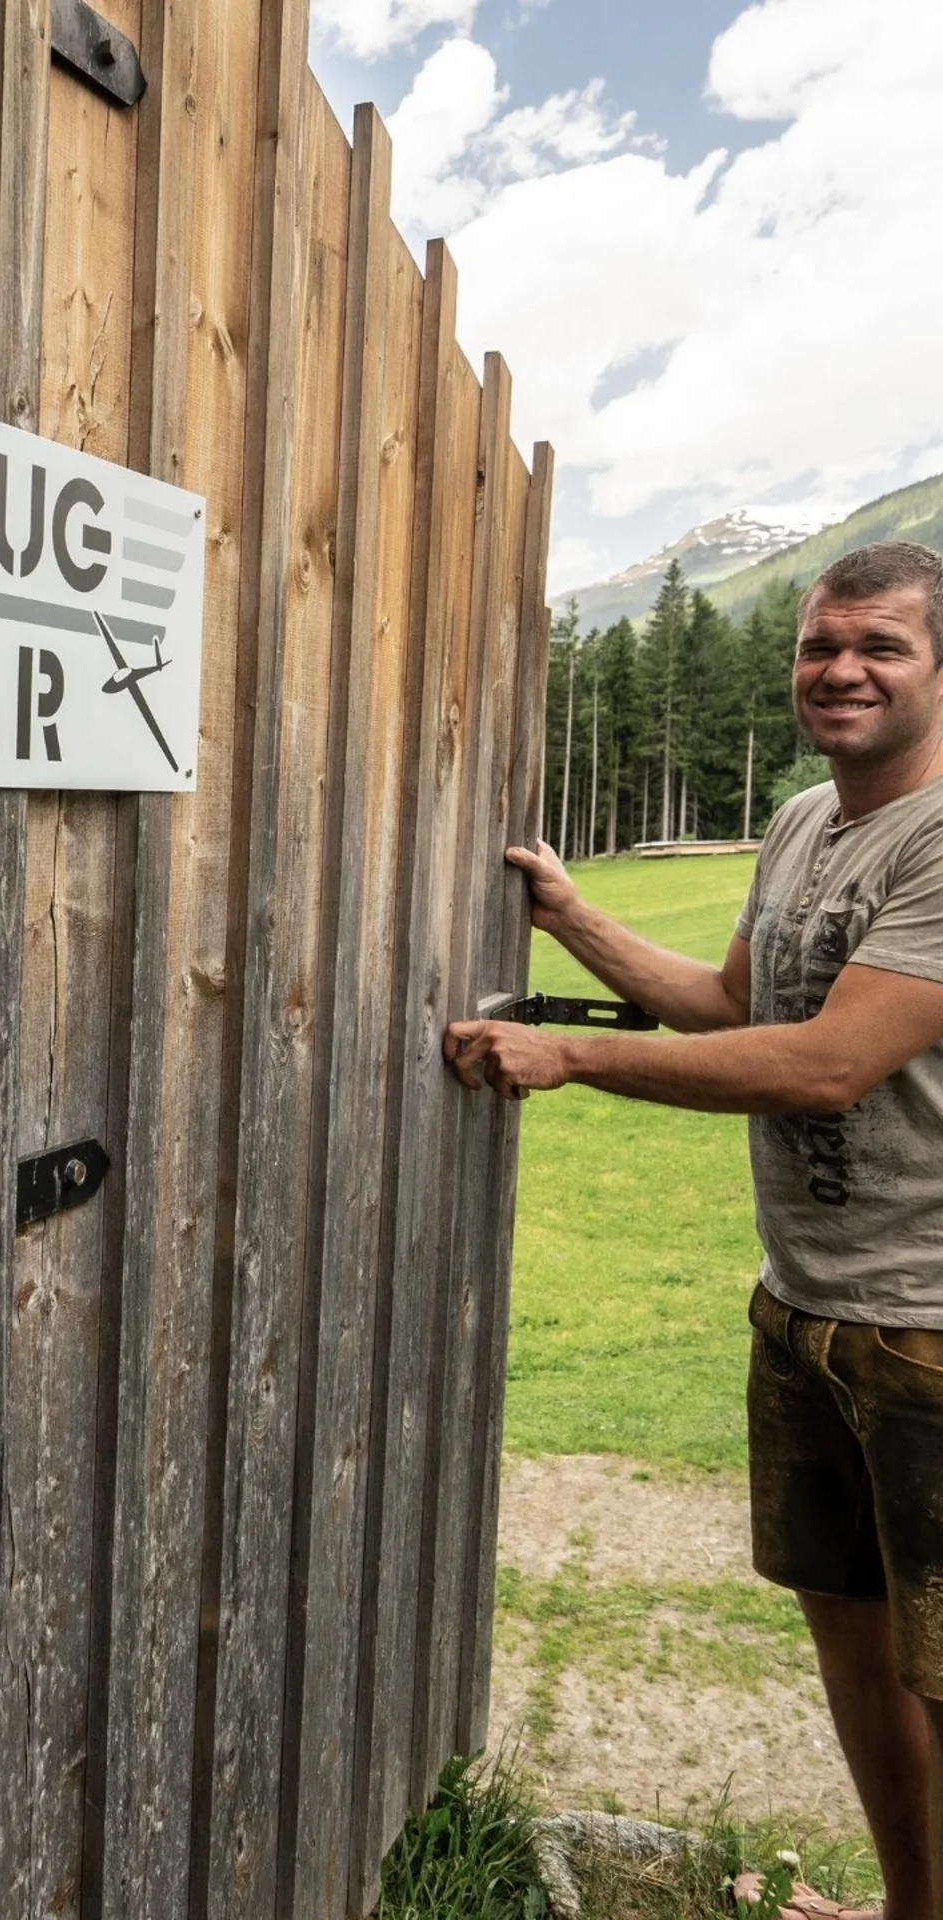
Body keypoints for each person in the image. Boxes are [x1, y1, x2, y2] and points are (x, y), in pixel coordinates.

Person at [445, 541, 943, 1920]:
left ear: (938, 668)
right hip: (805, 1308)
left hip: (930, 1328)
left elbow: (825, 1065)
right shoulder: (800, 823)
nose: (841, 669)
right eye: (820, 644)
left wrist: (574, 1062)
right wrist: (577, 919)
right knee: (849, 1638)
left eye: (882, 647)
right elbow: (739, 1007)